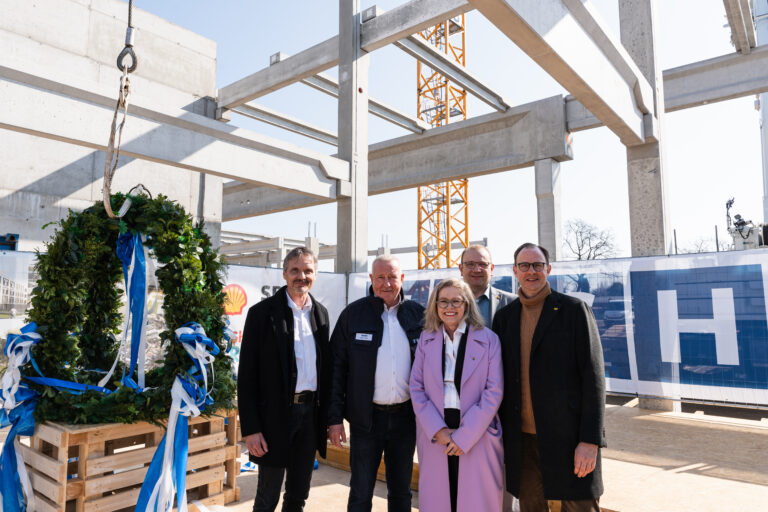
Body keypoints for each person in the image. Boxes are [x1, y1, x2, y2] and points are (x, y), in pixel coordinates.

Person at [492, 243, 606, 512]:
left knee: (581, 507)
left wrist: (590, 441)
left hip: (570, 440)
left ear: (548, 270)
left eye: (537, 265)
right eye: (524, 266)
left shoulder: (574, 311)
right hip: (523, 442)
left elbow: (594, 378)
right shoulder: (505, 318)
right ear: (515, 271)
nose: (531, 272)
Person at [327, 255, 425, 512]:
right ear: (371, 280)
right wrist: (335, 419)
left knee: (401, 492)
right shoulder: (353, 315)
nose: (386, 283)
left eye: (392, 277)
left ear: (402, 279)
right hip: (365, 420)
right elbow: (336, 369)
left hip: (406, 419)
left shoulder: (419, 316)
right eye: (380, 277)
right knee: (360, 492)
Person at [237, 247, 331, 512]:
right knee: (268, 496)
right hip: (274, 417)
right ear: (284, 274)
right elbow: (247, 377)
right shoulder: (262, 314)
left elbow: (327, 369)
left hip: (309, 416)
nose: (302, 276)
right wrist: (251, 428)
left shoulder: (321, 314)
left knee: (299, 493)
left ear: (315, 274)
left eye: (308, 271)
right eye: (295, 271)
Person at [409, 278, 504, 512]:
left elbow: (494, 392)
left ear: (467, 305)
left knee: (475, 502)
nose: (449, 307)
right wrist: (437, 430)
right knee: (439, 499)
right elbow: (416, 387)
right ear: (435, 305)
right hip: (437, 430)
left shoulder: (489, 340)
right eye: (443, 301)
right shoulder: (426, 339)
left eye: (456, 301)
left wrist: (465, 436)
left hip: (476, 431)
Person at [459, 245, 516, 327]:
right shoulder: (445, 305)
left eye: (482, 264)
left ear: (491, 269)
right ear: (461, 269)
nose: (477, 270)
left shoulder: (512, 303)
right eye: (470, 264)